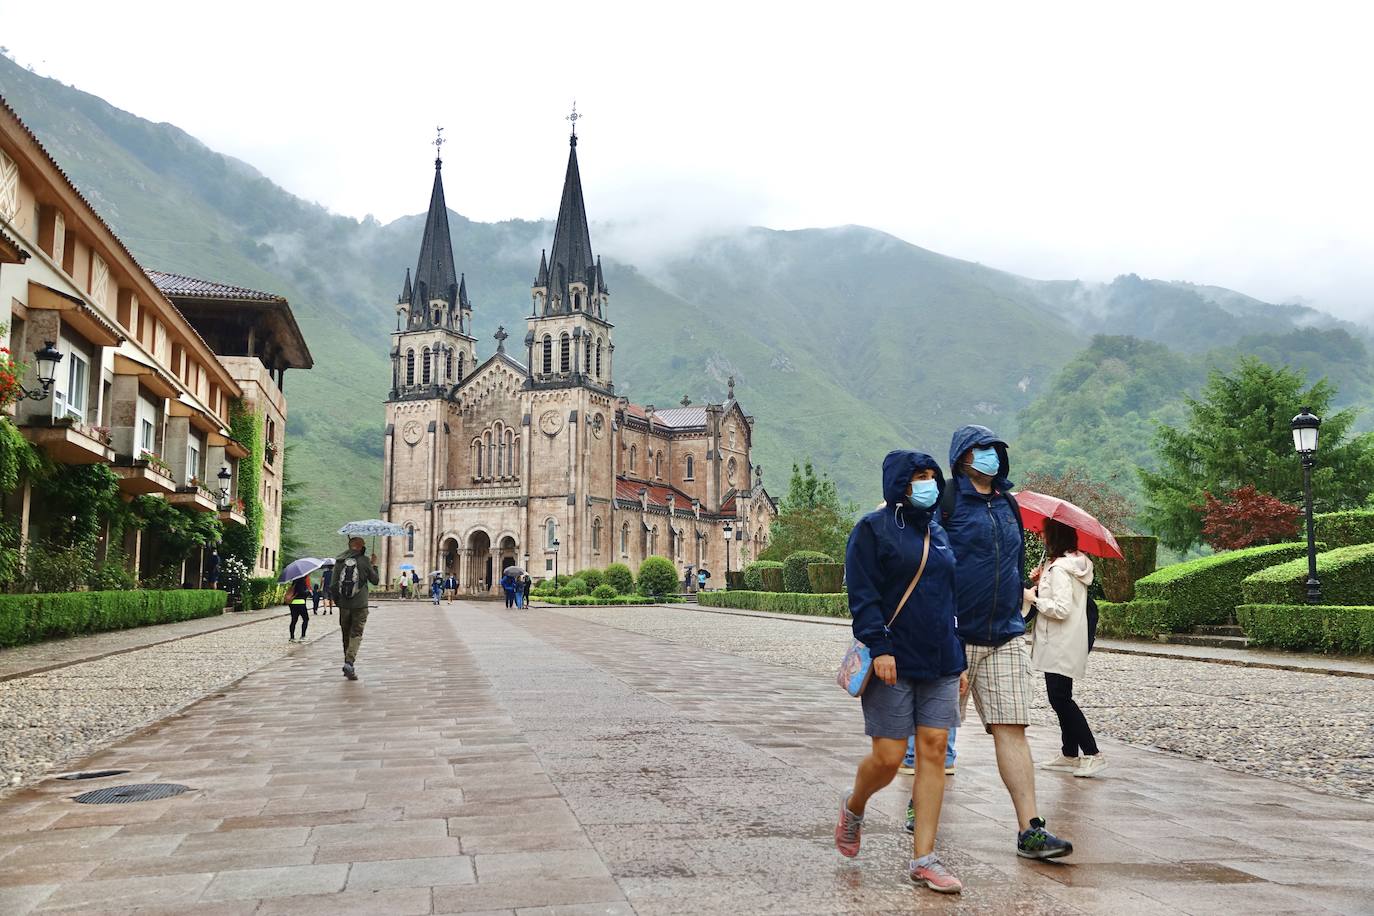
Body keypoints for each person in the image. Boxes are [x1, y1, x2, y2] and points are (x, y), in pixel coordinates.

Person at [835, 450, 967, 894]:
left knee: (934, 749)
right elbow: (863, 595)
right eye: (918, 476)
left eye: (932, 476)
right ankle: (855, 805)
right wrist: (880, 647)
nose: (927, 483)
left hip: (941, 659)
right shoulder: (872, 529)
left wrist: (959, 657)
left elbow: (949, 600)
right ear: (899, 483)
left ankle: (924, 858)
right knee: (890, 758)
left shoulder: (938, 532)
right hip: (892, 659)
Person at [942, 425, 1073, 860]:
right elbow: (932, 568)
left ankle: (1030, 830)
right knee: (937, 731)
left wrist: (1020, 600)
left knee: (1013, 728)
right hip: (955, 636)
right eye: (982, 449)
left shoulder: (1008, 504)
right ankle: (921, 806)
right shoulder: (946, 502)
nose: (991, 456)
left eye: (996, 449)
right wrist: (944, 631)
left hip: (1005, 634)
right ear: (963, 457)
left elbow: (1014, 563)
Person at [1030, 519, 1105, 777]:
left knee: (1060, 698)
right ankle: (1070, 753)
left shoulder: (1060, 569)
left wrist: (1034, 599)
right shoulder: (1069, 564)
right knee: (1061, 697)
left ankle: (1093, 753)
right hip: (1065, 640)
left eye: (1044, 533)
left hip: (1059, 642)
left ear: (1055, 536)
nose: (1041, 537)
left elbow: (1061, 609)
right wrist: (1041, 582)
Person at [330, 536, 379, 681]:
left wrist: (338, 601)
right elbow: (375, 581)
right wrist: (373, 565)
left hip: (344, 605)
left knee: (345, 634)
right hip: (360, 604)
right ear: (359, 546)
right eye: (363, 545)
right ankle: (349, 662)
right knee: (356, 634)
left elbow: (333, 585)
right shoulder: (364, 560)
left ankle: (348, 663)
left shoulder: (339, 561)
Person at [287, 574, 310, 642]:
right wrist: (308, 592)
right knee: (306, 619)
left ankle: (292, 637)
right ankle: (302, 636)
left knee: (294, 620)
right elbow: (302, 592)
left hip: (292, 603)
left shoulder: (294, 582)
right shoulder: (302, 582)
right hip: (301, 603)